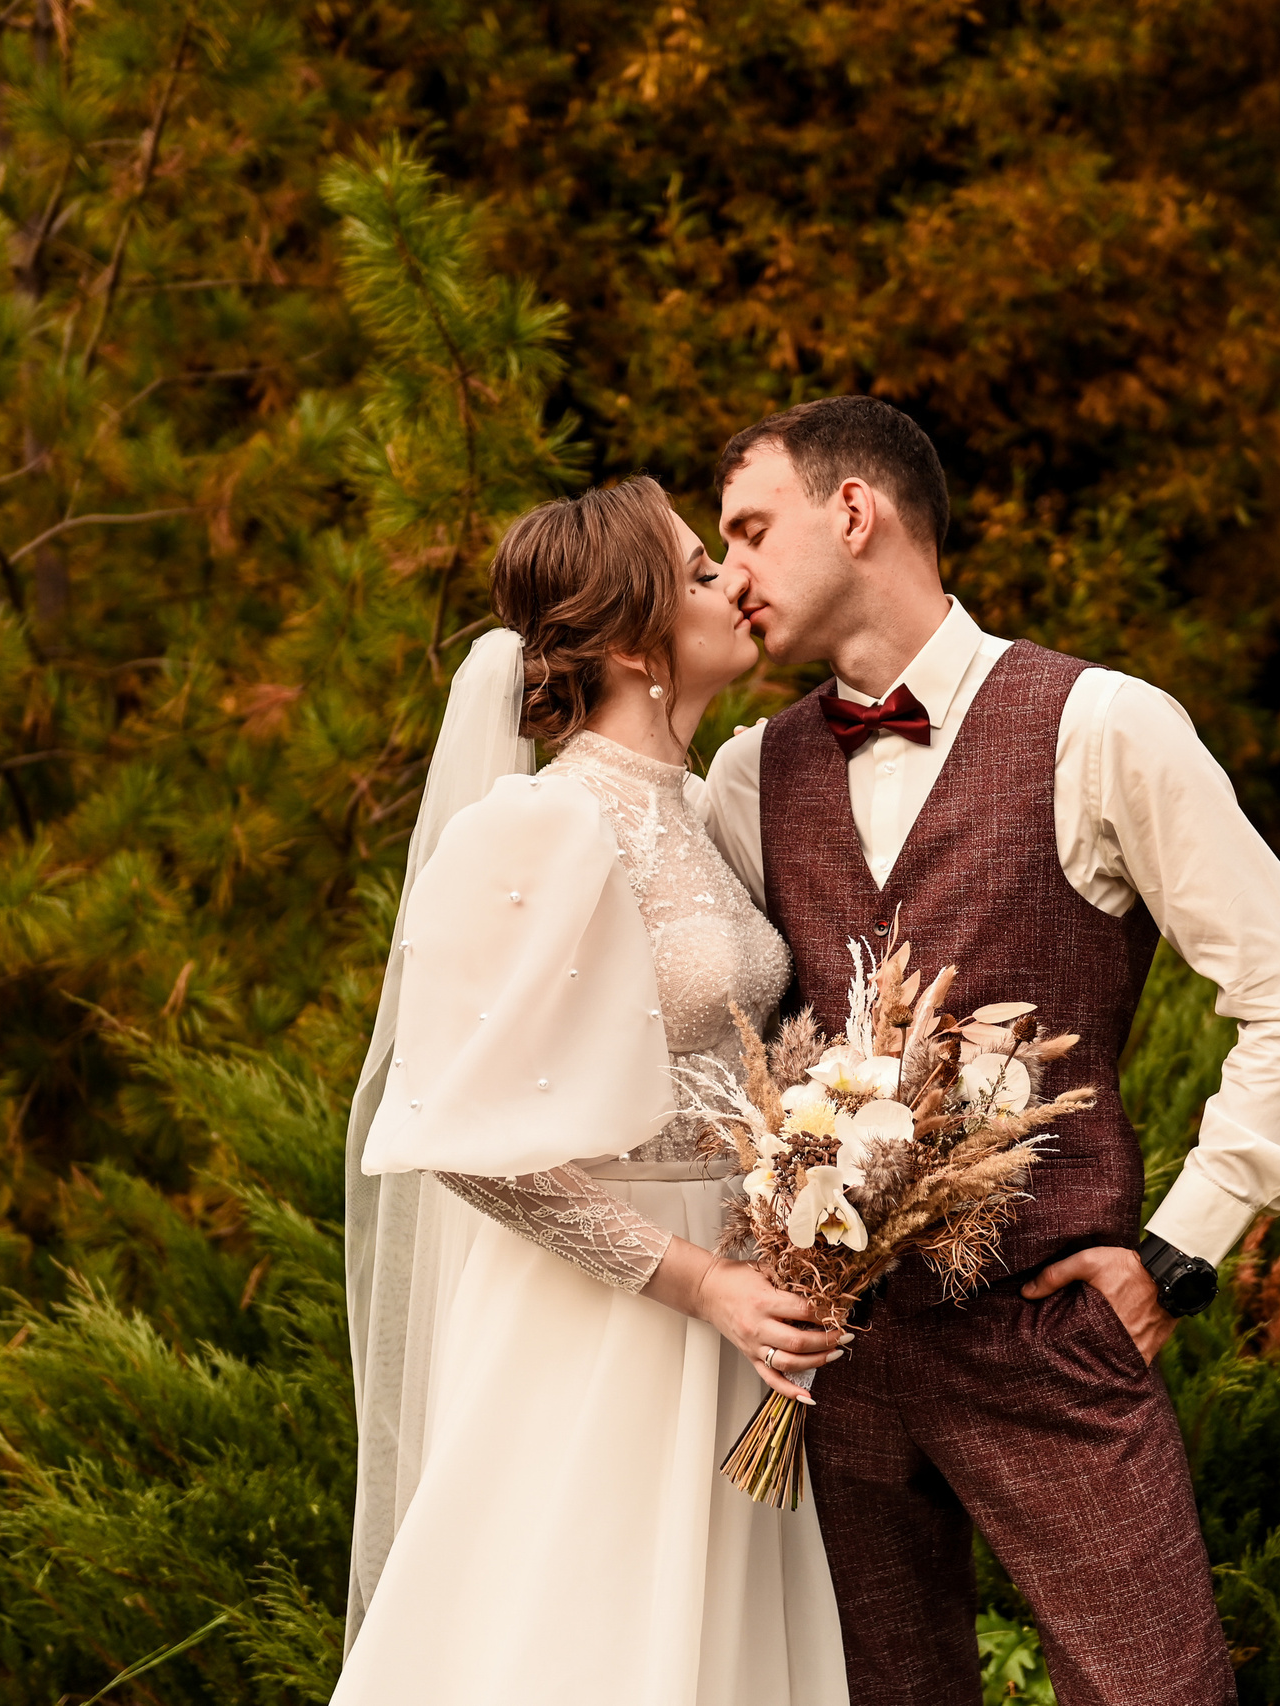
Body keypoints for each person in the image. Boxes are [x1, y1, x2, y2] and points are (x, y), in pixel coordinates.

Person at [704, 398, 1280, 1706]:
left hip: (1050, 1340)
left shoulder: (1103, 726)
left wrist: (1181, 1247)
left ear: (855, 511)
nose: (730, 575)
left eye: (750, 531)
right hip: (836, 1375)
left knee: (1158, 1691)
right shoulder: (746, 775)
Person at [336, 476, 849, 1705]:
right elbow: (463, 1140)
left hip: (739, 1296)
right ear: (631, 636)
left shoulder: (706, 809)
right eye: (695, 567)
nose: (732, 579)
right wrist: (701, 1281)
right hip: (609, 1304)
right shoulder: (540, 823)